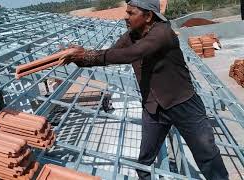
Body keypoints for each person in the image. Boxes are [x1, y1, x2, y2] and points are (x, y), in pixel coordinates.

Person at [59, 0, 229, 179]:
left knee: (207, 156)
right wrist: (80, 57)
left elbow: (132, 54)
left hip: (183, 103)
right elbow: (111, 54)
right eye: (127, 12)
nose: (126, 17)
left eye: (131, 13)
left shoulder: (162, 33)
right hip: (153, 107)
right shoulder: (131, 35)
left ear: (148, 16)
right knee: (144, 161)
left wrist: (86, 54)